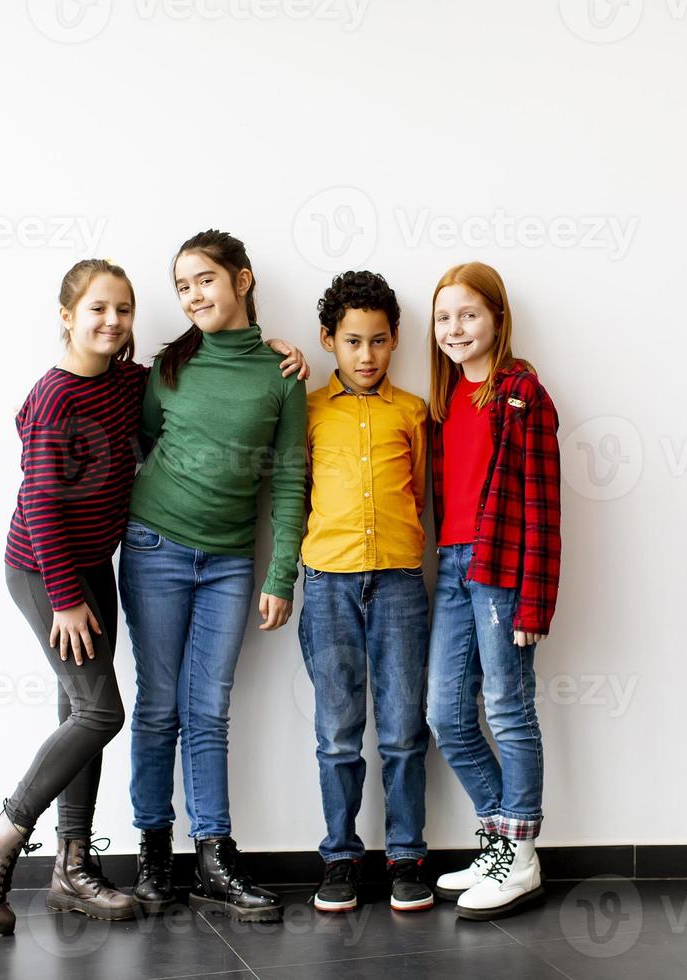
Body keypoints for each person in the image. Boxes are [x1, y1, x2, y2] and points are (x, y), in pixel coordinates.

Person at [0, 258, 307, 935]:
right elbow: (41, 501)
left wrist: (273, 349)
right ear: (66, 317)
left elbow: (202, 382)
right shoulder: (55, 396)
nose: (112, 323)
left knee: (77, 712)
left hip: (94, 570)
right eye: (97, 310)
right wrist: (63, 597)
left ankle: (70, 869)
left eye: (123, 311)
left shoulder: (129, 380)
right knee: (101, 713)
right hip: (46, 573)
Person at [119, 229, 307, 924]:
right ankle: (150, 852)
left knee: (208, 711)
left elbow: (289, 481)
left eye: (204, 279)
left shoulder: (281, 375)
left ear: (242, 281)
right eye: (182, 286)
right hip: (154, 548)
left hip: (230, 563)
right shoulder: (168, 366)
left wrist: (280, 572)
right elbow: (142, 439)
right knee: (160, 705)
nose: (193, 295)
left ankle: (213, 857)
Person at [424, 261, 561, 921]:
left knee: (507, 708)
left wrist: (534, 602)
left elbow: (541, 506)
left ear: (497, 320)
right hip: (451, 567)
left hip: (501, 570)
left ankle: (521, 853)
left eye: (469, 314)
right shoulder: (443, 398)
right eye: (444, 317)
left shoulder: (522, 394)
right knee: (445, 714)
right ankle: (497, 837)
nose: (455, 328)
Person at [297, 271, 432, 914]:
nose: (367, 355)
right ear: (329, 340)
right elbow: (292, 494)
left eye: (379, 341)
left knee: (405, 728)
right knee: (337, 731)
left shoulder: (413, 412)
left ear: (396, 340)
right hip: (328, 583)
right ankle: (340, 857)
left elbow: (422, 496)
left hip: (402, 582)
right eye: (353, 341)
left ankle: (407, 855)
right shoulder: (309, 410)